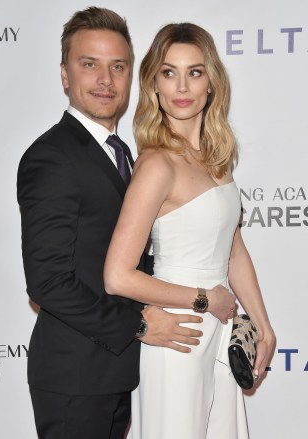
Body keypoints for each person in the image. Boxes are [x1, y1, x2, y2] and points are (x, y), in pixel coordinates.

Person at [17, 9, 206, 439]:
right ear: (65, 75)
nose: (105, 80)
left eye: (117, 66)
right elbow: (47, 282)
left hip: (119, 372)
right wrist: (138, 325)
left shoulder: (125, 154)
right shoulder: (52, 157)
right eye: (90, 65)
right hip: (74, 379)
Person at [104, 22, 276, 438]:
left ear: (211, 84)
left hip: (220, 329)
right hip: (178, 334)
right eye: (169, 72)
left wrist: (263, 324)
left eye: (194, 72)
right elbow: (117, 276)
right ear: (154, 85)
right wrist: (204, 299)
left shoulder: (217, 160)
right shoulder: (156, 165)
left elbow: (232, 247)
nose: (182, 85)